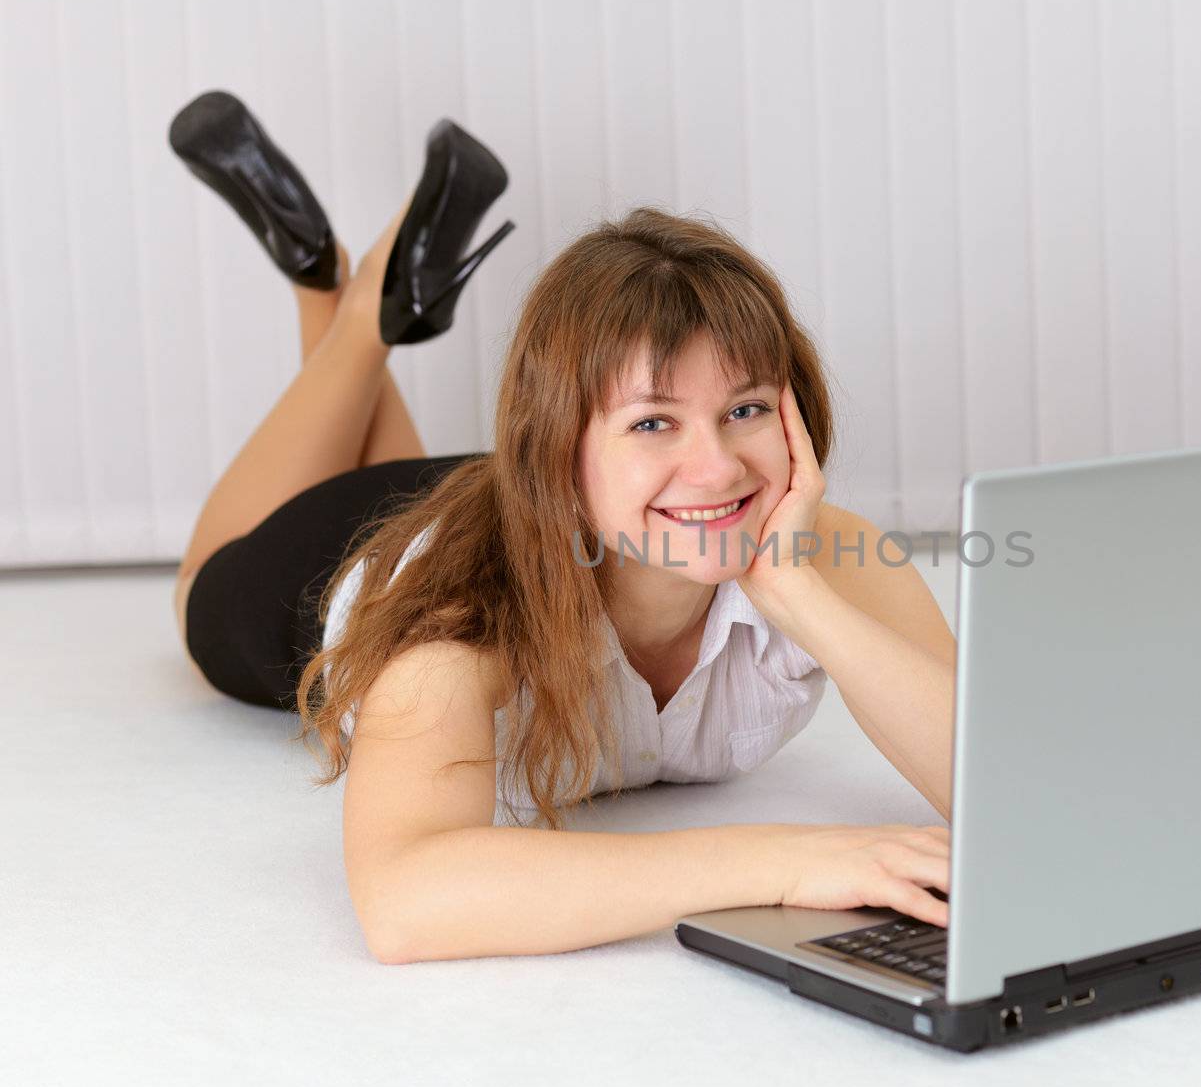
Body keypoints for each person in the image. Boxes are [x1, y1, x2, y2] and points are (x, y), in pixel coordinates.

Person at [168, 92, 957, 964]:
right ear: (559, 450)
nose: (720, 467)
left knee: (498, 488)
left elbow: (1011, 789)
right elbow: (404, 900)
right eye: (654, 421)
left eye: (746, 409)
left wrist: (798, 596)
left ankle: (353, 283)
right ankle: (342, 299)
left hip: (539, 498)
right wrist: (782, 859)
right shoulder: (459, 611)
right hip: (327, 550)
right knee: (198, 588)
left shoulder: (825, 553)